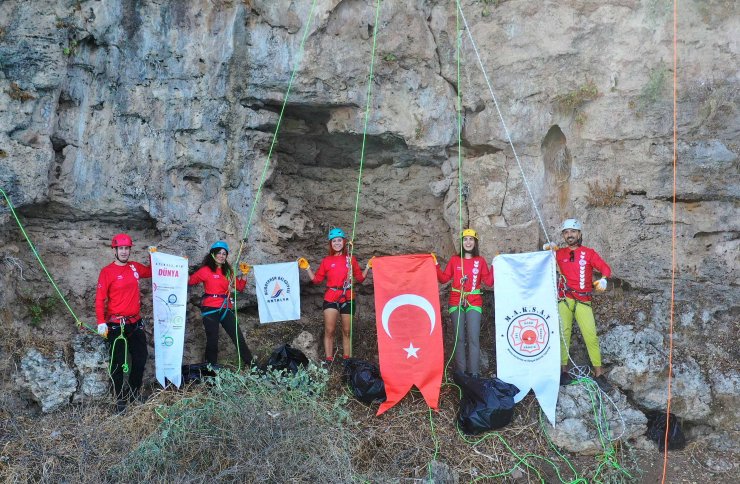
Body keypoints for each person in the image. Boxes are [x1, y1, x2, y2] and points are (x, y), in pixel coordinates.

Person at [545, 218, 612, 392]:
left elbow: (605, 268)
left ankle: (599, 373)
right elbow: (542, 263)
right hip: (565, 299)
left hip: (583, 300)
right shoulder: (558, 254)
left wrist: (603, 279)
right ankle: (563, 371)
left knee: (591, 336)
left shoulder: (589, 253)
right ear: (563, 235)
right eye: (566, 232)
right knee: (563, 335)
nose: (569, 235)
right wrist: (546, 250)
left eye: (573, 232)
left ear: (579, 234)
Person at [95, 233, 152, 412]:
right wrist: (100, 322)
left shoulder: (135, 267)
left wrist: (153, 256)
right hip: (115, 324)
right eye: (121, 248)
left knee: (141, 358)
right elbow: (99, 299)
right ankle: (119, 398)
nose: (125, 252)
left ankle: (133, 391)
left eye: (127, 248)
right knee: (118, 362)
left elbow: (150, 272)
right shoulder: (107, 271)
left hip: (134, 322)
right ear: (115, 250)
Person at [301, 228, 371, 365]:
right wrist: (307, 268)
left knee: (346, 331)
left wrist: (368, 267)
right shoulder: (327, 261)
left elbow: (360, 279)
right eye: (334, 241)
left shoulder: (350, 259)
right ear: (330, 243)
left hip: (348, 296)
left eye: (339, 240)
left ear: (344, 242)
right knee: (330, 330)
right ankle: (328, 360)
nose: (337, 243)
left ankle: (347, 360)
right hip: (331, 297)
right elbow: (316, 280)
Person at [435, 228, 494, 378]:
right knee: (459, 338)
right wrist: (435, 265)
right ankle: (461, 374)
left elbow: (488, 281)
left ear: (475, 242)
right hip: (456, 300)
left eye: (471, 239)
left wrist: (495, 265)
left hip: (474, 301)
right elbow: (443, 278)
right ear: (461, 242)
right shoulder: (455, 260)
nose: (468, 242)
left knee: (473, 338)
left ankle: (474, 374)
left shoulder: (479, 261)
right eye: (465, 239)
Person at [188, 241, 253, 368]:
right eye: (219, 253)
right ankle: (210, 369)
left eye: (224, 254)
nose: (222, 256)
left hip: (225, 307)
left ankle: (252, 365)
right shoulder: (205, 270)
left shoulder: (228, 271)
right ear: (213, 254)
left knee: (238, 337)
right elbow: (190, 281)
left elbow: (239, 287)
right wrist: (181, 267)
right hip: (210, 308)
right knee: (212, 341)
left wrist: (245, 274)